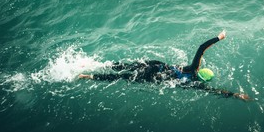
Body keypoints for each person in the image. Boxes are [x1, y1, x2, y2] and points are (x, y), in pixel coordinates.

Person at [79, 30, 250, 101]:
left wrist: (219, 38)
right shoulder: (195, 84)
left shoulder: (192, 68)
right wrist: (235, 94)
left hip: (156, 66)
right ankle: (89, 76)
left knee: (127, 66)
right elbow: (216, 91)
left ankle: (98, 64)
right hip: (153, 78)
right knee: (122, 77)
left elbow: (201, 48)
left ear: (200, 70)